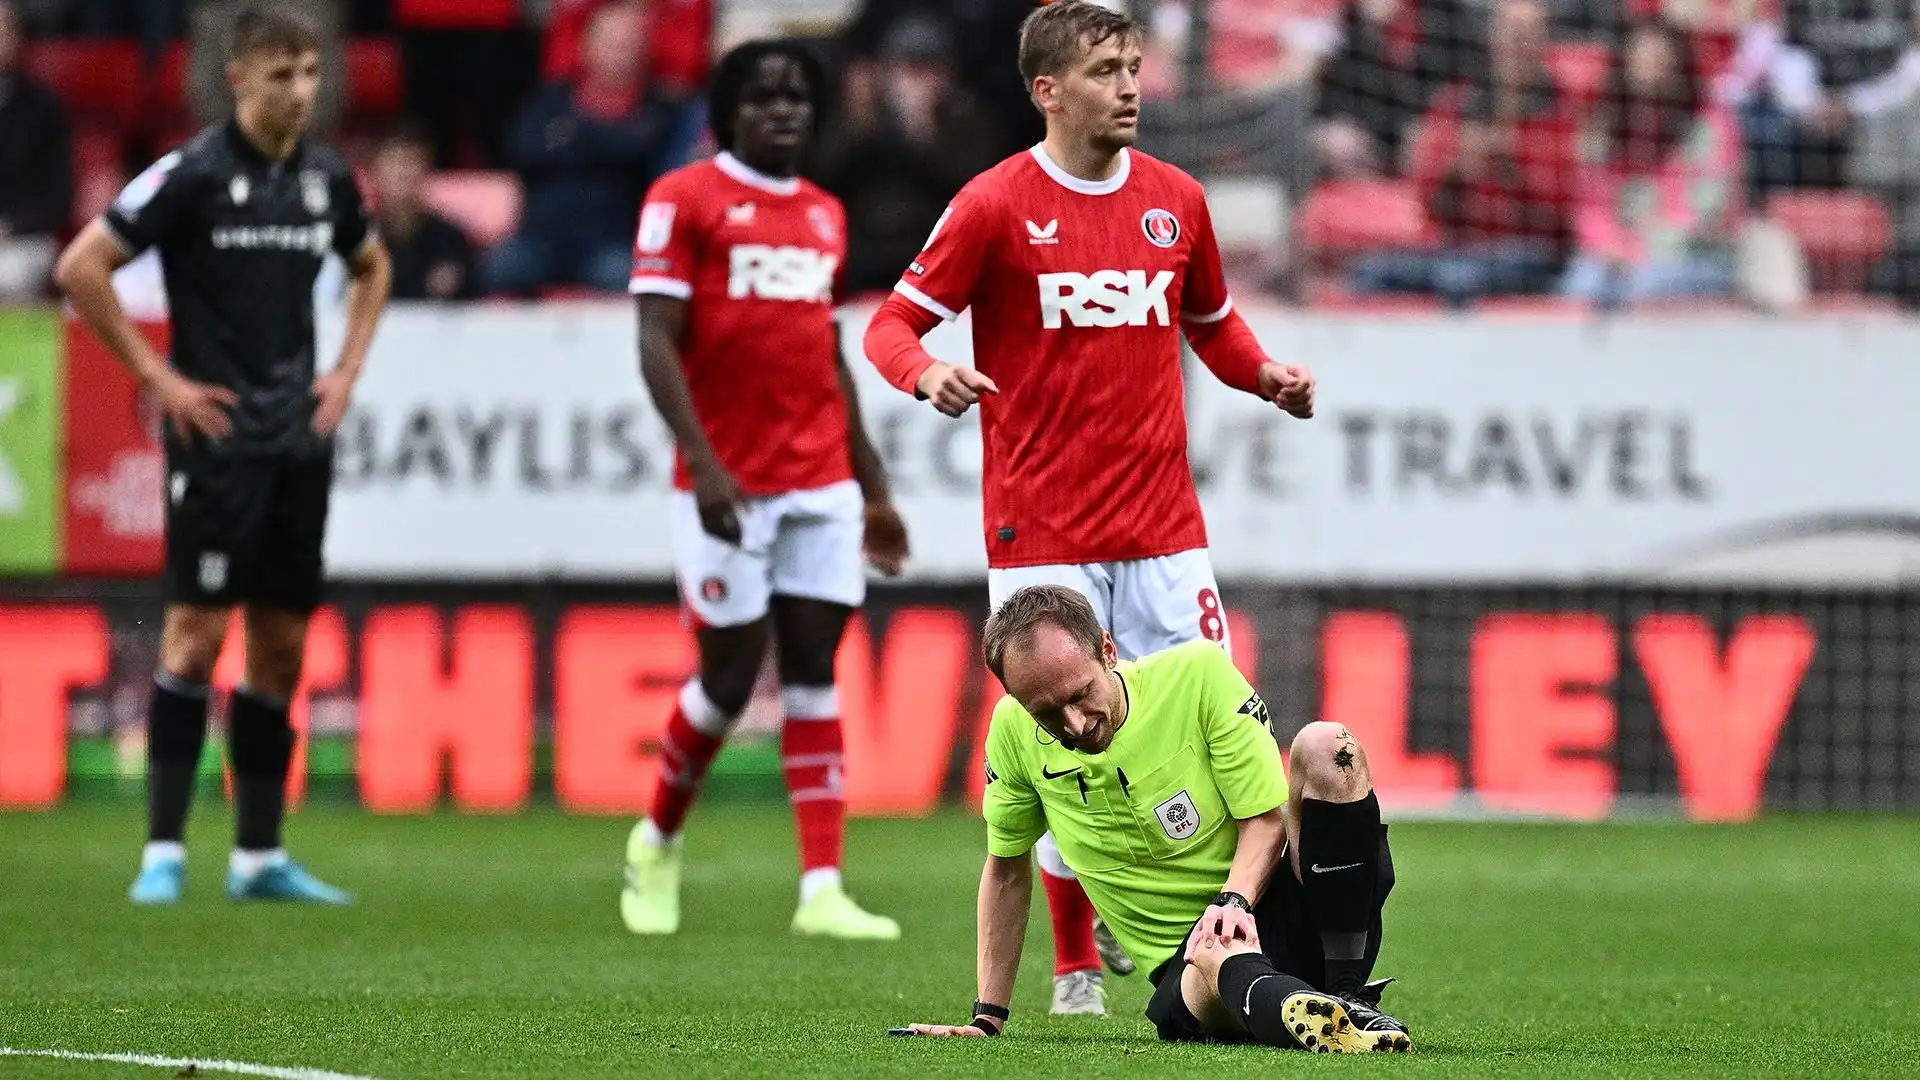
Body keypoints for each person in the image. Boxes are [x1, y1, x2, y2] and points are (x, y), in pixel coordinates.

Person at [861, 0, 1315, 1016]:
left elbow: (1214, 322)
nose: (1130, 86)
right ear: (1048, 90)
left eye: (1134, 66)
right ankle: (1073, 971)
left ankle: (1230, 932)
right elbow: (890, 324)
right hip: (1043, 525)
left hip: (1162, 525)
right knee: (1067, 734)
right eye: (1106, 69)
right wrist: (927, 374)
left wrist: (1266, 377)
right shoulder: (992, 204)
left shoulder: (1176, 201)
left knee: (1219, 725)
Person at [53, 3, 393, 907]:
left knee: (281, 648)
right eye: (282, 75)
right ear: (238, 79)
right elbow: (83, 266)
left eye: (311, 74)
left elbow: (373, 266)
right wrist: (161, 382)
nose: (300, 92)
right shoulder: (193, 174)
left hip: (297, 439)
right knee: (196, 637)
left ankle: (258, 857)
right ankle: (163, 850)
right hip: (216, 443)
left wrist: (346, 371)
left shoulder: (326, 178)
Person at [620, 40, 910, 942]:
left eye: (797, 99)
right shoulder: (683, 199)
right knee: (729, 674)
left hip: (819, 476)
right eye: (763, 97)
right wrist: (703, 463)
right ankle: (657, 840)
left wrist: (872, 483)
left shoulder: (824, 213)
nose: (784, 111)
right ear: (728, 112)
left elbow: (825, 352)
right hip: (727, 480)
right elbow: (655, 338)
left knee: (817, 668)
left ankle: (822, 887)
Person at [893, 585, 1411, 1052]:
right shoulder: (1010, 734)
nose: (1073, 724)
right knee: (1210, 953)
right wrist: (987, 1017)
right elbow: (1006, 869)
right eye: (1046, 713)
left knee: (1328, 744)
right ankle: (1331, 1022)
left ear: (1108, 650)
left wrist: (1231, 901)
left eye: (1079, 696)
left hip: (1291, 910)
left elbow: (1267, 821)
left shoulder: (1199, 675)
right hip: (1190, 964)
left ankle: (1345, 992)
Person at [483, 1, 698, 295]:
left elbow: (645, 152)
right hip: (541, 238)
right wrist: (612, 142)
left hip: (610, 241)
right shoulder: (550, 98)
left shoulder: (660, 105)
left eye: (628, 44)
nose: (619, 53)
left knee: (629, 276)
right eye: (610, 42)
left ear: (644, 48)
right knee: (499, 268)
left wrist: (571, 138)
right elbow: (521, 149)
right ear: (586, 46)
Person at [1562, 19, 1742, 310]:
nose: (1653, 66)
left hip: (1698, 257)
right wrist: (1610, 245)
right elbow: (1589, 208)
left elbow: (1705, 210)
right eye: (1644, 56)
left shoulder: (1711, 126)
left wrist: (1638, 249)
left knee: (1648, 285)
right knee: (1581, 284)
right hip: (1619, 257)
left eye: (1662, 57)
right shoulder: (1600, 130)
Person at [0, 0, 73, 301]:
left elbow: (57, 195)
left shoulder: (43, 108)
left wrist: (9, 226)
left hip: (24, 239)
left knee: (7, 279)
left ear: (17, 39)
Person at [370, 123, 479, 302]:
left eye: (412, 162)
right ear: (376, 171)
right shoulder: (360, 238)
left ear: (427, 170)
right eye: (395, 161)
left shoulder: (451, 240)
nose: (402, 173)